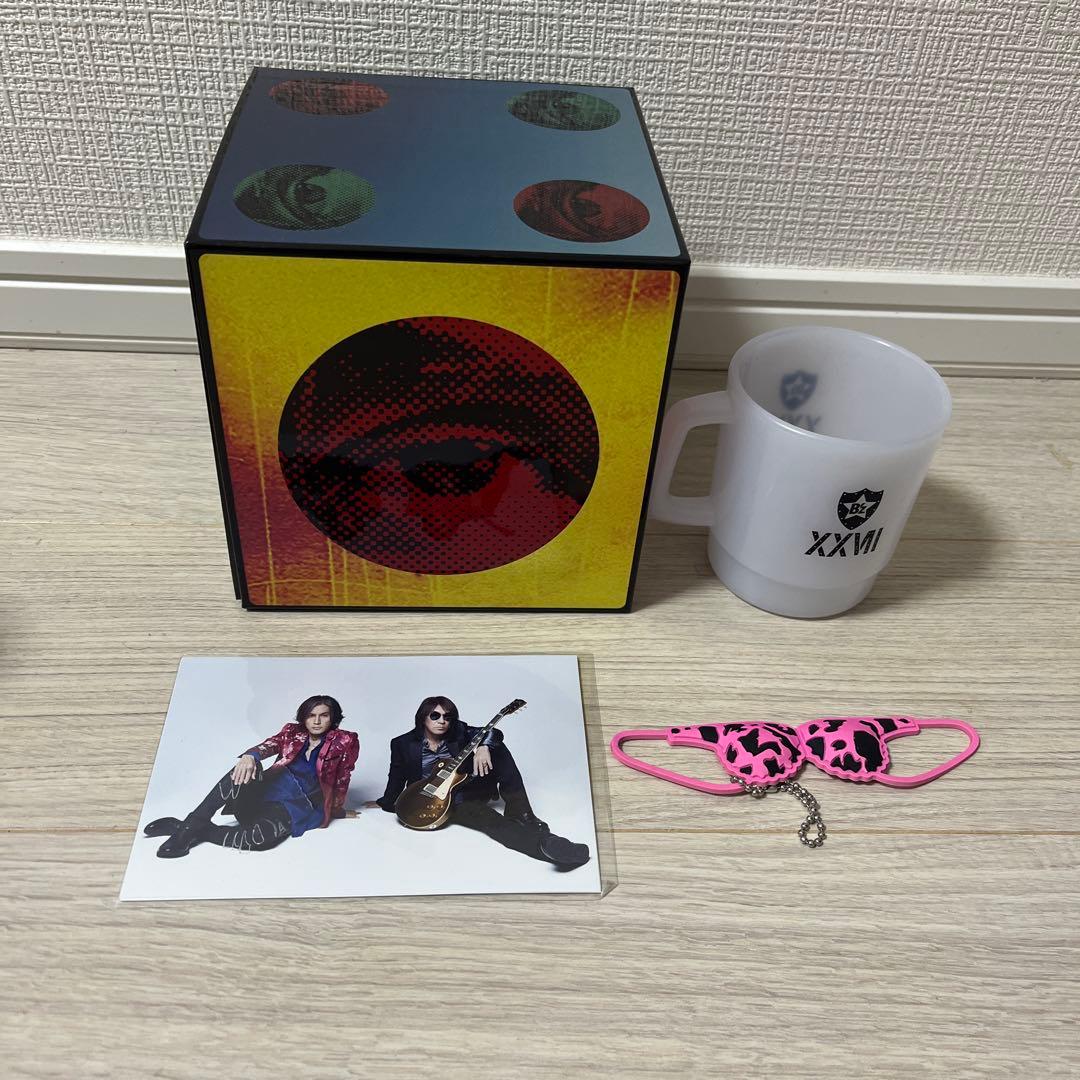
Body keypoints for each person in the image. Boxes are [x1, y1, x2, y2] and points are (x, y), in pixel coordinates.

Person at [365, 696, 589, 870]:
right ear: (423, 717)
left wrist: (484, 746)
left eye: (447, 717)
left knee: (492, 816)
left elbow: (492, 732)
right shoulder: (402, 743)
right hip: (426, 799)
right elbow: (396, 775)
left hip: (461, 794)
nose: (442, 721)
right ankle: (536, 834)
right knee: (489, 818)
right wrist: (386, 802)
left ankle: (546, 843)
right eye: (435, 716)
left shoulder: (459, 731)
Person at [144, 695, 359, 858]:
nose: (317, 721)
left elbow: (343, 777)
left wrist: (336, 810)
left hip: (292, 807)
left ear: (333, 718)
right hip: (262, 795)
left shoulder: (344, 741)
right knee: (241, 770)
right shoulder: (292, 732)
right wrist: (250, 756)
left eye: (324, 715)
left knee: (257, 840)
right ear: (304, 717)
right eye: (311, 715)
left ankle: (186, 828)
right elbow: (269, 745)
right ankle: (189, 828)